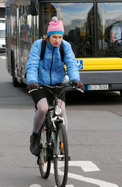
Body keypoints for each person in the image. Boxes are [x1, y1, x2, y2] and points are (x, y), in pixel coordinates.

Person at [26, 17, 84, 156]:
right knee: (43, 109)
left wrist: (76, 79)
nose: (57, 40)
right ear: (48, 36)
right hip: (39, 84)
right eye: (54, 37)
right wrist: (32, 81)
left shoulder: (65, 46)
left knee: (62, 112)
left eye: (60, 37)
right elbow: (32, 64)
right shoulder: (39, 45)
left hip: (58, 84)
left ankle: (63, 143)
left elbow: (71, 63)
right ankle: (35, 136)